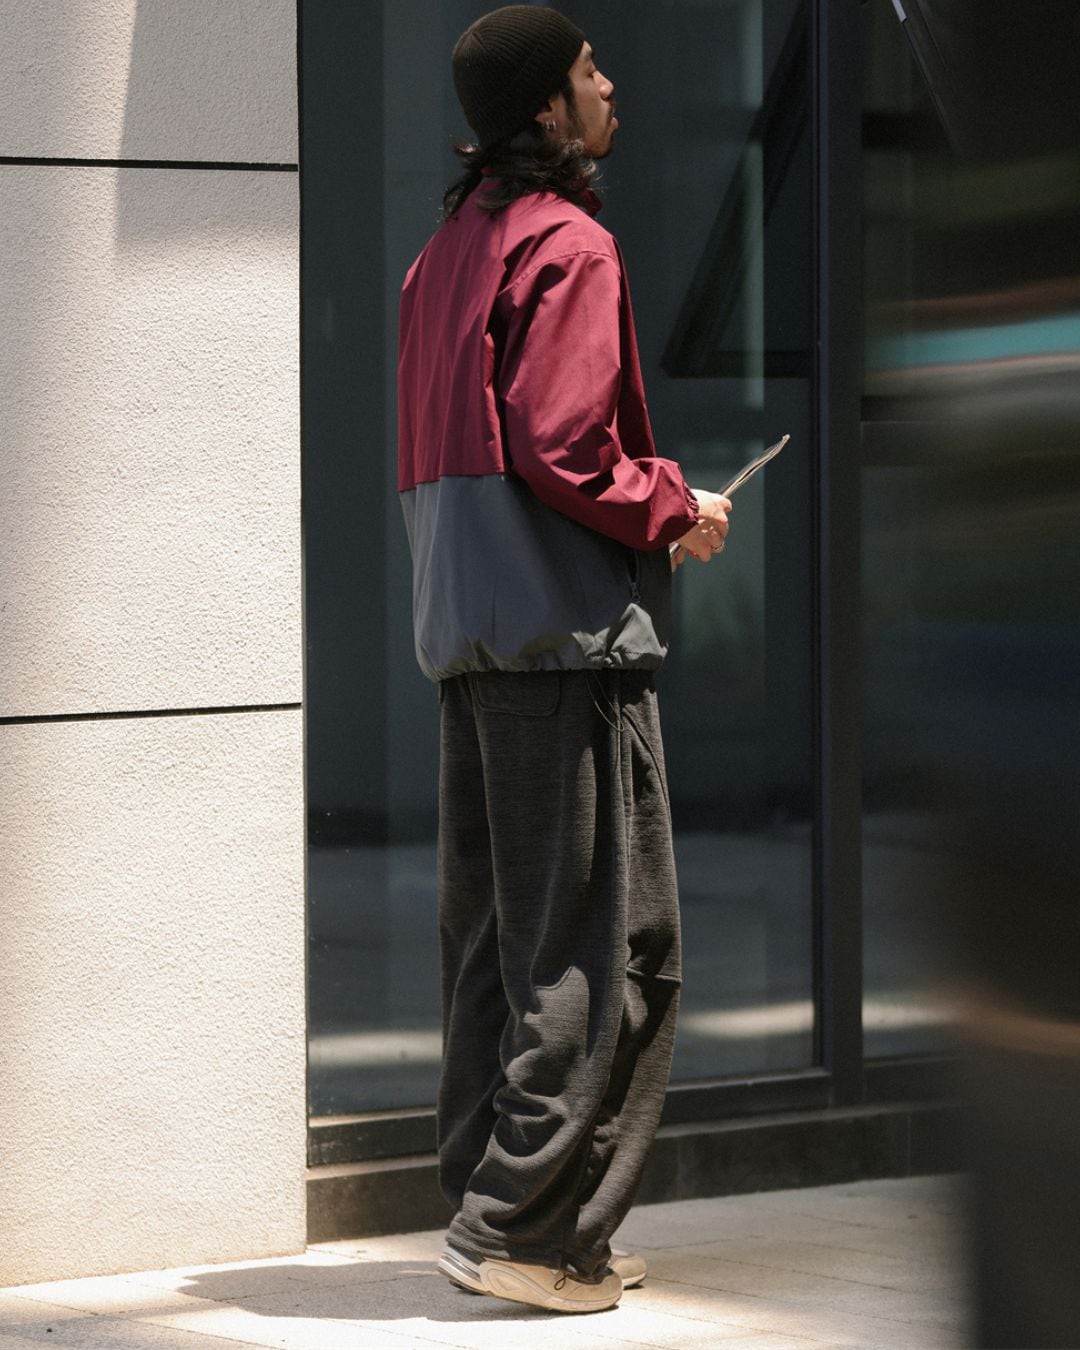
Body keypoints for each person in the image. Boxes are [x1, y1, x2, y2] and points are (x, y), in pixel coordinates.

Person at [397, 4, 731, 1315]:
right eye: (589, 69)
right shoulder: (570, 244)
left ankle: (528, 1220)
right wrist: (675, 508)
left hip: (471, 634)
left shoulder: (440, 259)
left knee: (498, 939)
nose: (609, 82)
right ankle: (519, 1227)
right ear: (547, 107)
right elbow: (567, 447)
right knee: (604, 942)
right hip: (562, 637)